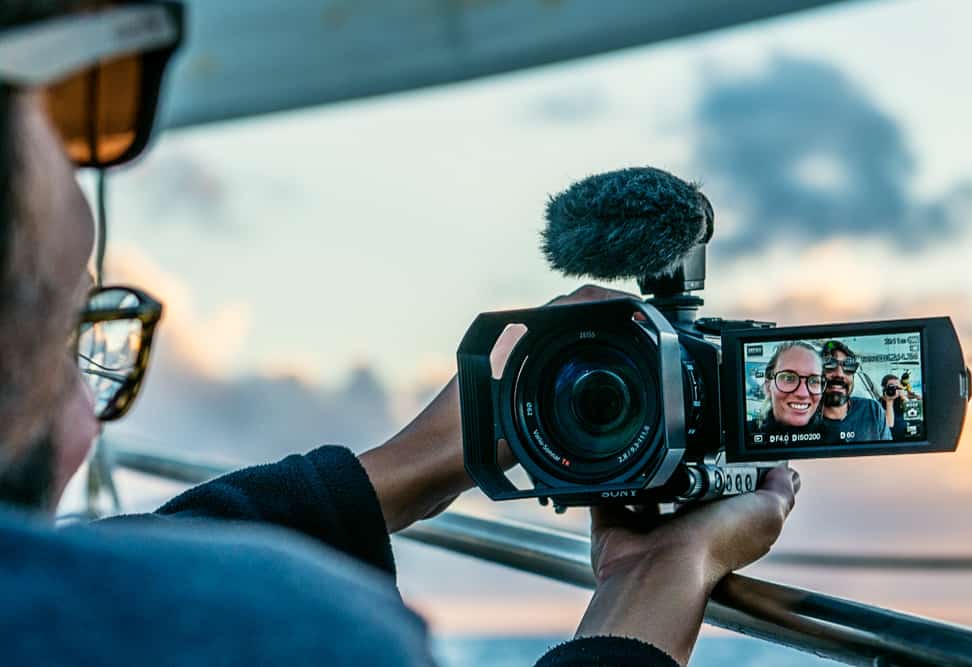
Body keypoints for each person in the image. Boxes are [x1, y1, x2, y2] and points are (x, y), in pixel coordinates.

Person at [0, 3, 799, 666]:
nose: (84, 420)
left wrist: (412, 465)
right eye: (71, 337)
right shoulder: (291, 634)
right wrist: (667, 567)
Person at [752, 342, 826, 443]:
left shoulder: (834, 440)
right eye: (788, 378)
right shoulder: (746, 436)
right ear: (768, 386)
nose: (803, 393)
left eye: (814, 381)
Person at [820, 340, 892, 442]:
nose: (839, 374)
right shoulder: (803, 417)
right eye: (830, 365)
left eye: (848, 367)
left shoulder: (873, 410)